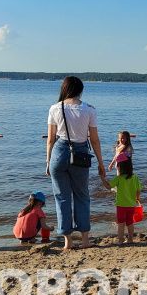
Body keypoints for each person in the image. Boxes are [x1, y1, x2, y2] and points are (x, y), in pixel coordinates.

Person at [45, 76, 106, 251]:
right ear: (80, 90)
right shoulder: (89, 110)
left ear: (64, 89)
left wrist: (48, 162)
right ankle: (85, 239)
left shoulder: (55, 108)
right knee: (82, 196)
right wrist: (101, 163)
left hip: (59, 152)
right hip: (80, 154)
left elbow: (50, 139)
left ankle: (68, 242)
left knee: (62, 198)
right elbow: (94, 140)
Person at [101, 154, 143, 245]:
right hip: (131, 205)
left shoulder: (119, 178)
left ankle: (120, 240)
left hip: (121, 205)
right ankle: (130, 239)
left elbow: (108, 186)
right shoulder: (135, 177)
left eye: (117, 165)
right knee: (130, 223)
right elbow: (138, 190)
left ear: (120, 167)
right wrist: (137, 198)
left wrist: (102, 178)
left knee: (121, 223)